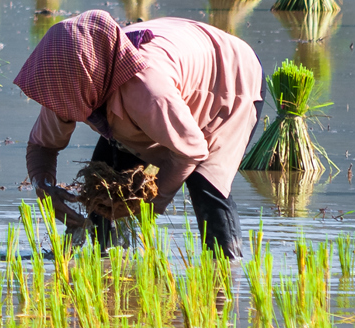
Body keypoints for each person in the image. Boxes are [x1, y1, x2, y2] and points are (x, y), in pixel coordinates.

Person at [15, 11, 263, 257]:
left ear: (85, 79)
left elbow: (190, 151)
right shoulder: (69, 83)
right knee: (101, 191)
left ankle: (227, 272)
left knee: (205, 183)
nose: (56, 105)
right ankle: (108, 264)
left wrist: (146, 208)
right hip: (168, 72)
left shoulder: (147, 90)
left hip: (228, 79)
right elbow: (42, 146)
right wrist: (43, 187)